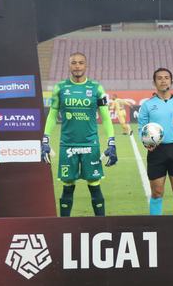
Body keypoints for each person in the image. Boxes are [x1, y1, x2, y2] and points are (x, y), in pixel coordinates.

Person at [41, 52, 117, 217]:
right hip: (68, 145)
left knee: (94, 185)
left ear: (86, 65)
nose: (77, 66)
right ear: (69, 65)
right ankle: (64, 226)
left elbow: (105, 117)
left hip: (90, 145)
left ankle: (101, 225)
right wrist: (45, 139)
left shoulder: (96, 88)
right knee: (67, 186)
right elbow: (53, 115)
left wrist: (111, 141)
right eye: (74, 63)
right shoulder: (60, 88)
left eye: (81, 62)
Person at [138, 68, 173, 215]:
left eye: (166, 78)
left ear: (171, 81)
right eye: (159, 78)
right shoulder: (147, 105)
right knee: (157, 193)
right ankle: (155, 226)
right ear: (154, 82)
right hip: (156, 151)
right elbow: (141, 128)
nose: (163, 80)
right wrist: (146, 142)